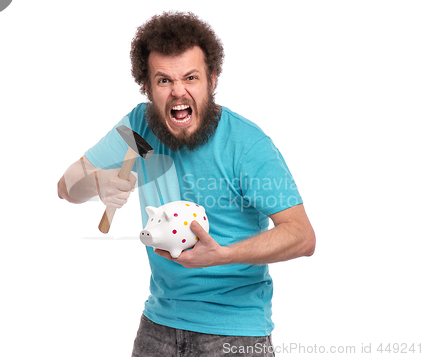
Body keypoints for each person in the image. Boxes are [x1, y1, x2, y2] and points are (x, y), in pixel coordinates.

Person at [57, 11, 315, 357]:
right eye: (163, 81)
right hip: (157, 327)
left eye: (190, 77)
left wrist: (223, 255)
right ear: (147, 86)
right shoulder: (138, 126)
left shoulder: (247, 144)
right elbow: (67, 187)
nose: (178, 92)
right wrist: (97, 184)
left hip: (234, 336)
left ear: (212, 79)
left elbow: (302, 236)